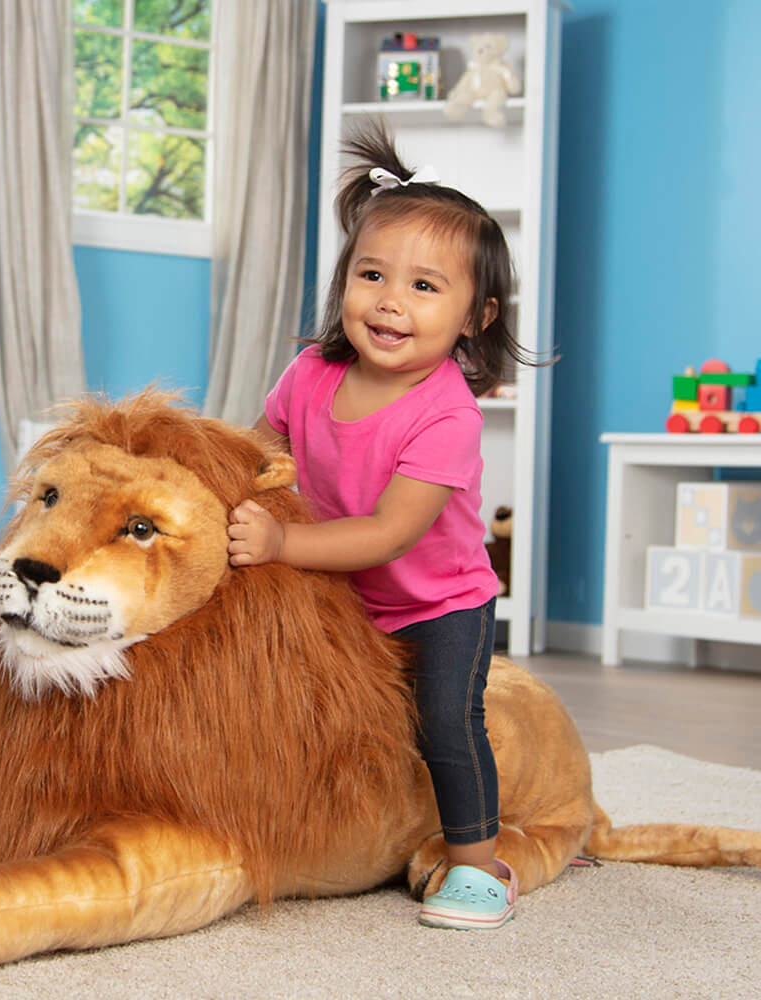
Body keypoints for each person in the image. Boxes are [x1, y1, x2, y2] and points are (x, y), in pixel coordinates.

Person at [227, 121, 544, 930]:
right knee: (297, 699)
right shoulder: (311, 371)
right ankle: (312, 826)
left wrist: (283, 542)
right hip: (343, 595)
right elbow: (263, 452)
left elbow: (389, 534)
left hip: (439, 604)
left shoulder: (448, 415)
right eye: (373, 275)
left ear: (478, 316)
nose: (391, 302)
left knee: (444, 718)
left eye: (426, 288)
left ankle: (479, 865)